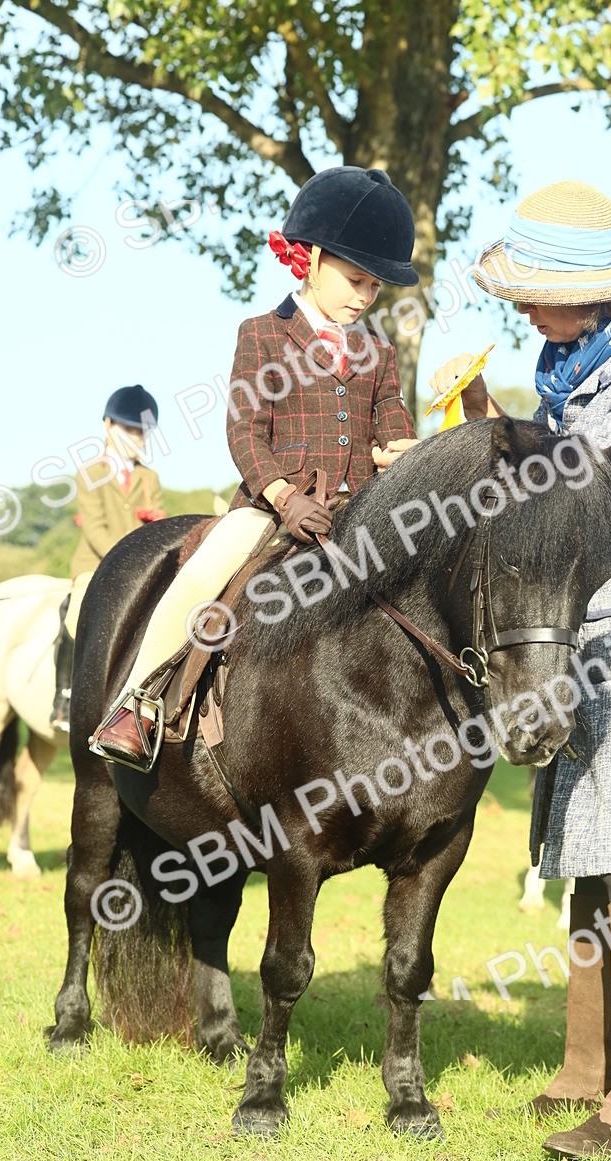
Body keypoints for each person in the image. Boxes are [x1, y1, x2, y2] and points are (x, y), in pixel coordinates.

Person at [430, 180, 611, 1159]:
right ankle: (581, 1070)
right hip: (582, 632)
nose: (522, 312)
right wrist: (484, 419)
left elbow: (574, 479)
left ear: (586, 292)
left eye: (533, 295)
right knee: (585, 850)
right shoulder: (577, 362)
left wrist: (475, 441)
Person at [90, 166, 425, 769]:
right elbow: (244, 429)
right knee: (201, 575)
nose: (364, 297)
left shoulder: (378, 350)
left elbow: (392, 423)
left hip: (361, 509)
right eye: (355, 280)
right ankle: (137, 705)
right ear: (313, 259)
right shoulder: (263, 334)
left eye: (375, 287)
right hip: (272, 508)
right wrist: (283, 495)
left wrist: (399, 453)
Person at [50, 385, 165, 732]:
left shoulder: (149, 478)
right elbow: (95, 529)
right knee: (76, 613)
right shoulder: (89, 474)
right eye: (129, 429)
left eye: (141, 431)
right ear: (108, 425)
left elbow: (159, 524)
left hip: (142, 568)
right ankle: (64, 697)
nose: (137, 438)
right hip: (95, 564)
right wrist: (129, 559)